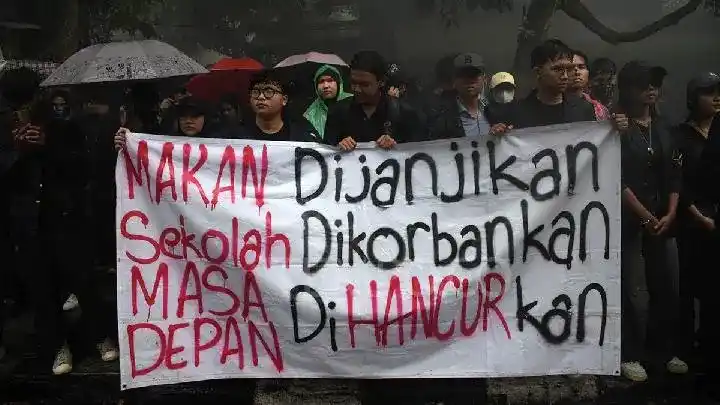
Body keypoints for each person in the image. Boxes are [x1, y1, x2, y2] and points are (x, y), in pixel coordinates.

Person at [616, 61, 687, 382]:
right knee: (633, 291)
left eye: (655, 83)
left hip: (663, 218)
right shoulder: (617, 127)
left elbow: (675, 174)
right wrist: (644, 216)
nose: (651, 89)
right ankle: (631, 353)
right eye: (644, 83)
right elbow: (615, 178)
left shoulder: (664, 127)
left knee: (667, 285)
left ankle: (664, 350)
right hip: (629, 220)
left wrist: (670, 212)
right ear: (628, 88)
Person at [674, 72, 720, 367]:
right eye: (708, 92)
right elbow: (676, 181)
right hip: (690, 219)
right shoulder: (679, 135)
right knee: (687, 287)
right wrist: (698, 215)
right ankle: (685, 348)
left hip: (717, 215)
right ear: (693, 98)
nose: (716, 98)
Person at [490, 39, 596, 135]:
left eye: (568, 69)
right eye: (557, 69)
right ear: (537, 72)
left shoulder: (584, 110)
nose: (565, 76)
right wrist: (497, 136)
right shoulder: (514, 113)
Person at [324, 50, 424, 150]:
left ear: (381, 82)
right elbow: (326, 150)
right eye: (353, 83)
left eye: (364, 84)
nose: (357, 89)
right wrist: (339, 146)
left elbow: (418, 151)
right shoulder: (338, 112)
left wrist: (396, 146)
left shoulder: (404, 114)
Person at [238, 69, 317, 142]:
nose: (261, 97)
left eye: (269, 91)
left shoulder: (301, 137)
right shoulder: (236, 136)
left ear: (284, 100)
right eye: (255, 92)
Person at [428, 52, 491, 139]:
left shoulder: (496, 110)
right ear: (454, 80)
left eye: (474, 74)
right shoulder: (441, 118)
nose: (469, 80)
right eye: (463, 75)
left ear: (484, 79)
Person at [303, 64, 353, 140]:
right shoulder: (311, 113)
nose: (326, 86)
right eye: (321, 81)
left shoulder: (353, 103)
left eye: (330, 80)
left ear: (338, 83)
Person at [568, 50, 610, 120]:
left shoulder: (599, 109)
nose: (577, 72)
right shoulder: (554, 104)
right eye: (570, 68)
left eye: (581, 67)